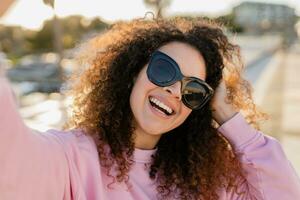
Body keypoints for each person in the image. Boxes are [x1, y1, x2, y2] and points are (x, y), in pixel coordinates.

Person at [0, 17, 300, 200]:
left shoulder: (209, 179)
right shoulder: (71, 158)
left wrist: (230, 118)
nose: (173, 90)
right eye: (164, 70)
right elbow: (10, 157)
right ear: (132, 73)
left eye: (193, 90)